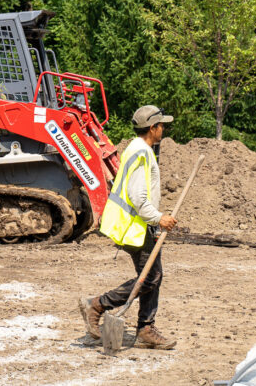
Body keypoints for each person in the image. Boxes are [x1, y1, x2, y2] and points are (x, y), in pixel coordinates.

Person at [79, 105, 178, 349]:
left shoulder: (141, 149)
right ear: (152, 128)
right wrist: (158, 218)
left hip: (141, 225)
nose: (163, 129)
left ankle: (145, 328)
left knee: (154, 275)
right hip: (135, 225)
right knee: (149, 278)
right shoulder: (141, 152)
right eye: (161, 125)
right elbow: (137, 197)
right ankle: (98, 304)